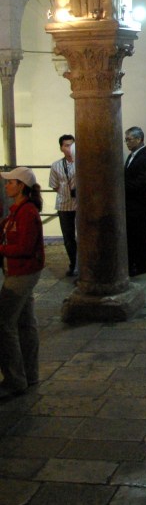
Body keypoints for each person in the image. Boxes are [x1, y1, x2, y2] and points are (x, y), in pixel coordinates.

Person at [0, 167, 45, 400]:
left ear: (21, 187)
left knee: (3, 324)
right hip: (21, 272)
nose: (6, 186)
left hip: (22, 273)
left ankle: (15, 380)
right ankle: (30, 373)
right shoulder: (16, 211)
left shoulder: (27, 213)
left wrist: (1, 249)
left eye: (10, 183)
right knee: (26, 323)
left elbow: (25, 248)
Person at [124, 126, 146, 276]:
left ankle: (140, 266)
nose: (127, 143)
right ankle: (132, 264)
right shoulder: (133, 155)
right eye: (126, 140)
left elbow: (141, 183)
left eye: (129, 140)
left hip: (138, 206)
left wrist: (119, 185)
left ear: (139, 139)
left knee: (139, 238)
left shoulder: (144, 158)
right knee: (131, 237)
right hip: (131, 206)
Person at [48, 133, 78, 276]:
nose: (69, 148)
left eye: (72, 145)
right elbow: (54, 185)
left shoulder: (82, 163)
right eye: (66, 145)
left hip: (80, 205)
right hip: (64, 205)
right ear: (61, 148)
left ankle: (85, 264)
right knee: (68, 237)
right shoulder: (56, 165)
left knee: (86, 236)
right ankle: (74, 263)